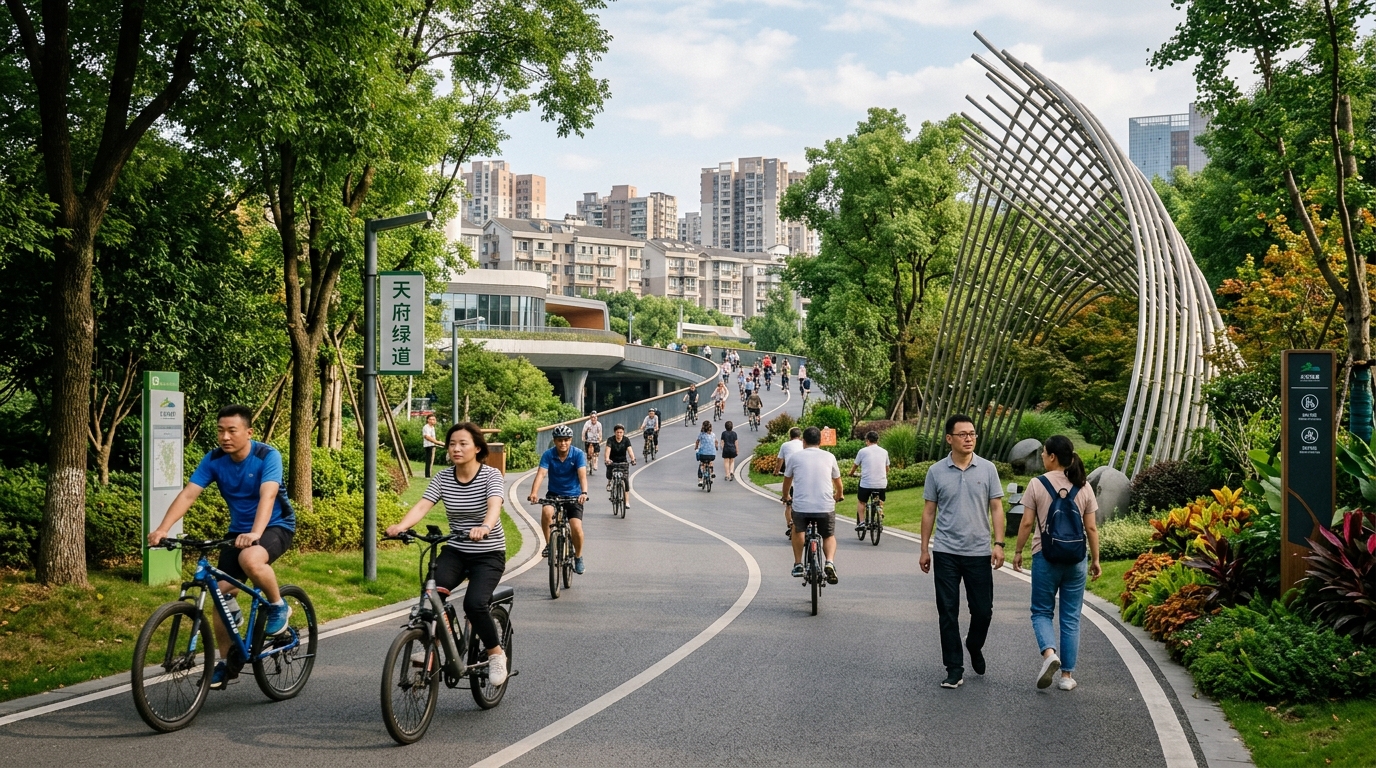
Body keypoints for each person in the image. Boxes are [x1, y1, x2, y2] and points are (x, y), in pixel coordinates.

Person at [147, 404, 296, 689]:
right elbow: (189, 494)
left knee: (251, 560)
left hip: (276, 525)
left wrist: (255, 532)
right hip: (238, 531)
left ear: (248, 432)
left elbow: (267, 497)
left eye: (232, 431)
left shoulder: (267, 456)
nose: (225, 437)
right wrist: (163, 529)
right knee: (217, 591)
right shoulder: (214, 459)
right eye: (220, 431)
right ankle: (228, 662)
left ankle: (278, 606)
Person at [386, 423, 508, 686]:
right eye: (452, 443)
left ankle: (495, 653)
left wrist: (485, 527)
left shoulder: (490, 475)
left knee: (474, 604)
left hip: (488, 552)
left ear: (477, 448)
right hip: (456, 549)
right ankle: (433, 642)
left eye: (463, 443)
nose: (456, 448)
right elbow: (422, 505)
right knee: (432, 594)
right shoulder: (443, 478)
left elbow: (494, 505)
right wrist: (401, 527)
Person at [920, 414, 1005, 690]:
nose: (969, 438)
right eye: (963, 434)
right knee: (947, 611)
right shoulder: (936, 471)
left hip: (979, 551)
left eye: (972, 433)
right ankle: (954, 667)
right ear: (949, 439)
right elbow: (929, 510)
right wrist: (924, 549)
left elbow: (996, 508)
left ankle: (974, 644)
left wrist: (999, 544)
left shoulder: (988, 469)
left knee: (983, 611)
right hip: (945, 551)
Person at [1013, 435, 1101, 691]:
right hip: (1076, 559)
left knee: (1041, 611)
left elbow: (1027, 523)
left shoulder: (1037, 484)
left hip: (1046, 555)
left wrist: (1018, 551)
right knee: (1071, 617)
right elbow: (1092, 528)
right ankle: (1066, 677)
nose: (1041, 456)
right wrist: (1095, 559)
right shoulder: (1083, 486)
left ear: (1052, 456)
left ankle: (1049, 654)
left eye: (1043, 453)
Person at [528, 424, 591, 575]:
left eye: (566, 440)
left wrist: (584, 492)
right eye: (559, 440)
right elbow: (541, 474)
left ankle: (578, 556)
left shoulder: (578, 454)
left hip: (574, 496)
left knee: (576, 527)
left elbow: (582, 474)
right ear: (554, 441)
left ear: (571, 440)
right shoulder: (548, 455)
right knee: (546, 512)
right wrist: (534, 493)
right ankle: (549, 545)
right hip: (554, 494)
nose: (563, 443)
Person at [783, 427, 842, 583]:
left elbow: (787, 481)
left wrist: (785, 496)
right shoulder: (829, 456)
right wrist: (839, 495)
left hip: (801, 507)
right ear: (820, 441)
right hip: (825, 506)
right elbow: (838, 482)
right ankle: (829, 561)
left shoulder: (795, 458)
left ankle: (798, 564)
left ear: (804, 442)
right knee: (828, 535)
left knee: (797, 530)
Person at [851, 430, 890, 531]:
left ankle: (862, 522)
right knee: (880, 501)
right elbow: (887, 469)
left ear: (867, 440)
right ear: (878, 440)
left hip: (866, 484)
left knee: (861, 501)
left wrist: (851, 473)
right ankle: (880, 514)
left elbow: (855, 466)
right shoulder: (884, 452)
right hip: (881, 483)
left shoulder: (862, 451)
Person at [775, 427, 804, 537]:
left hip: (791, 478)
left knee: (788, 504)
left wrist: (776, 471)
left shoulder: (785, 445)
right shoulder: (804, 445)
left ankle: (790, 525)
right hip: (803, 479)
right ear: (800, 436)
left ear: (790, 436)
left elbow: (780, 460)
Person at [602, 423, 637, 509]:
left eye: (621, 432)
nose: (619, 434)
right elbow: (607, 451)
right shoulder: (610, 440)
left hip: (623, 462)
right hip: (612, 461)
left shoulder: (626, 440)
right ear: (615, 432)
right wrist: (607, 459)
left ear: (623, 433)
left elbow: (630, 451)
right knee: (609, 474)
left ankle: (627, 501)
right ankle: (610, 482)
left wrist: (633, 459)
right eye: (617, 432)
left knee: (625, 480)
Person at [695, 420, 718, 487]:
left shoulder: (701, 434)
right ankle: (711, 472)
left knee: (702, 464)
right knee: (710, 461)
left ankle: (700, 479)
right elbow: (716, 442)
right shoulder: (713, 435)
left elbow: (697, 442)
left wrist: (696, 447)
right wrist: (716, 448)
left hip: (703, 454)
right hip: (712, 454)